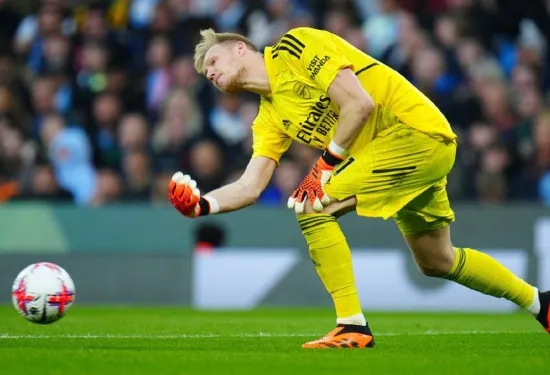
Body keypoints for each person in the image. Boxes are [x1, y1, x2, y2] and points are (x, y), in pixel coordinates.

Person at [168, 27, 550, 348]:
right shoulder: (270, 116)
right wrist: (202, 205)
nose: (210, 73)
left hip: (411, 133)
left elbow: (359, 104)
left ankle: (351, 325)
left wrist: (322, 167)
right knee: (437, 260)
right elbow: (250, 186)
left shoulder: (295, 48)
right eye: (205, 73)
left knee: (310, 205)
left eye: (213, 62)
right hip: (396, 156)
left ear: (240, 48)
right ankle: (540, 302)